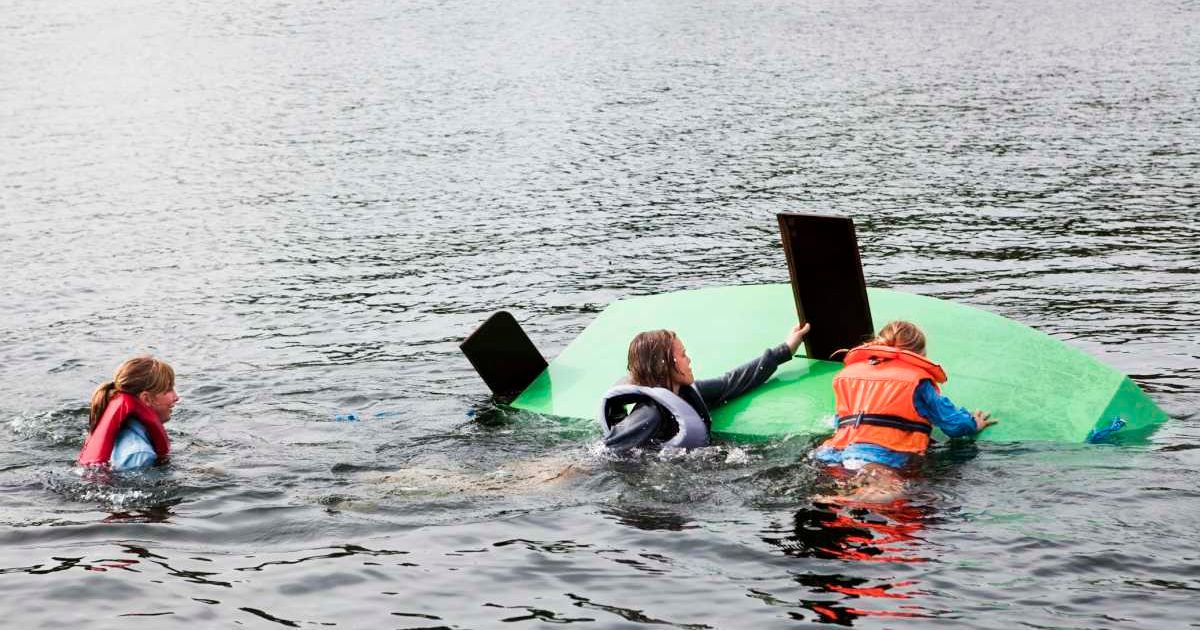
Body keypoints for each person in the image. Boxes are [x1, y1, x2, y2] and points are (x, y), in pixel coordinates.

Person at [813, 320, 995, 476]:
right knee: (881, 495)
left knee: (841, 495)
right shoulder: (918, 382)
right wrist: (973, 423)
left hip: (832, 452)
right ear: (920, 355)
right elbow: (953, 425)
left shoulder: (848, 375)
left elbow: (841, 421)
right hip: (881, 457)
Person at [599, 322, 811, 452]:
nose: (688, 360)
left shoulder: (691, 393)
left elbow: (732, 382)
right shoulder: (649, 415)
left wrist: (785, 350)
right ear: (664, 364)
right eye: (682, 355)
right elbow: (607, 451)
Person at [78, 356, 179, 471]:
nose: (176, 397)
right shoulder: (140, 456)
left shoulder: (126, 430)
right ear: (146, 399)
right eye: (168, 390)